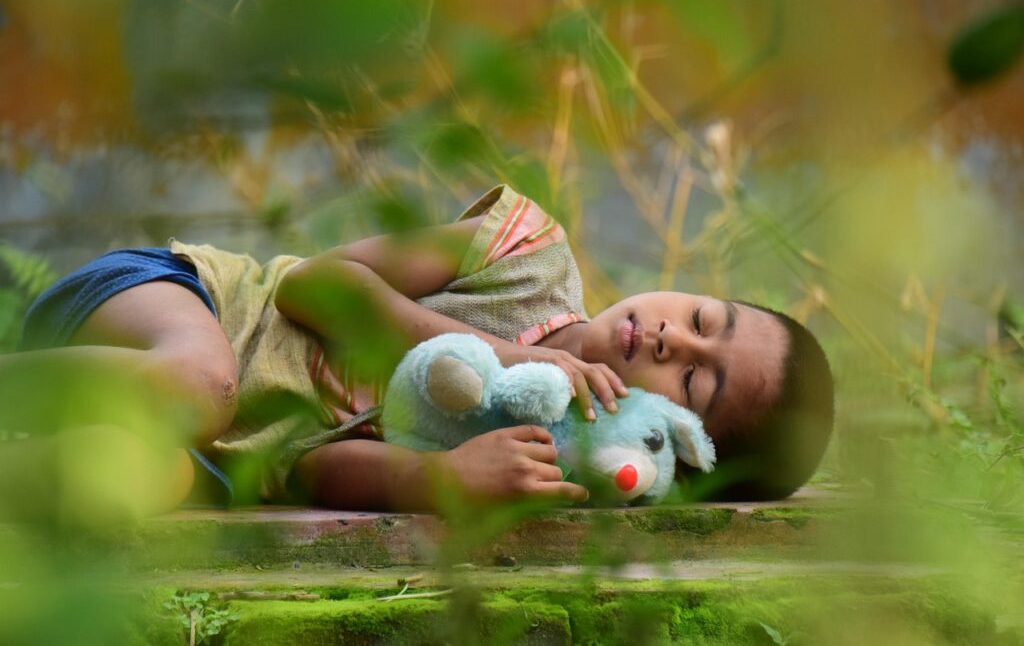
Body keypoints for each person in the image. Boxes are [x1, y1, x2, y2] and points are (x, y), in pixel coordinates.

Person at [2, 184, 833, 523]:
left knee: (133, 476)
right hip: (191, 308)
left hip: (217, 460)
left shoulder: (542, 458)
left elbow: (307, 473)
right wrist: (496, 351)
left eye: (691, 377)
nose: (668, 335)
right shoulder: (531, 254)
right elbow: (314, 289)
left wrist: (441, 481)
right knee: (201, 383)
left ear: (672, 441)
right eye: (699, 315)